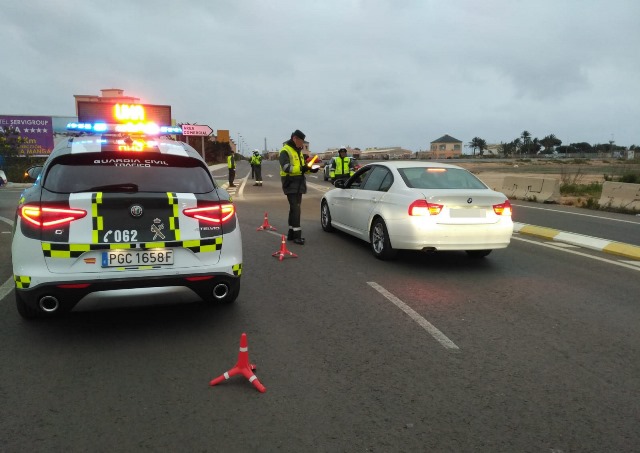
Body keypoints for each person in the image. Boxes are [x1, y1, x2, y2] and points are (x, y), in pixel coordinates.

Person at [279, 129, 318, 245]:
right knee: (296, 208)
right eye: (301, 141)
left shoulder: (298, 151)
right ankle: (297, 236)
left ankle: (291, 233)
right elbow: (287, 168)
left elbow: (302, 169)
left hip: (298, 183)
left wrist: (311, 170)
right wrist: (303, 169)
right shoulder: (285, 151)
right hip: (290, 182)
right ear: (295, 138)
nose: (302, 144)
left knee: (294, 208)